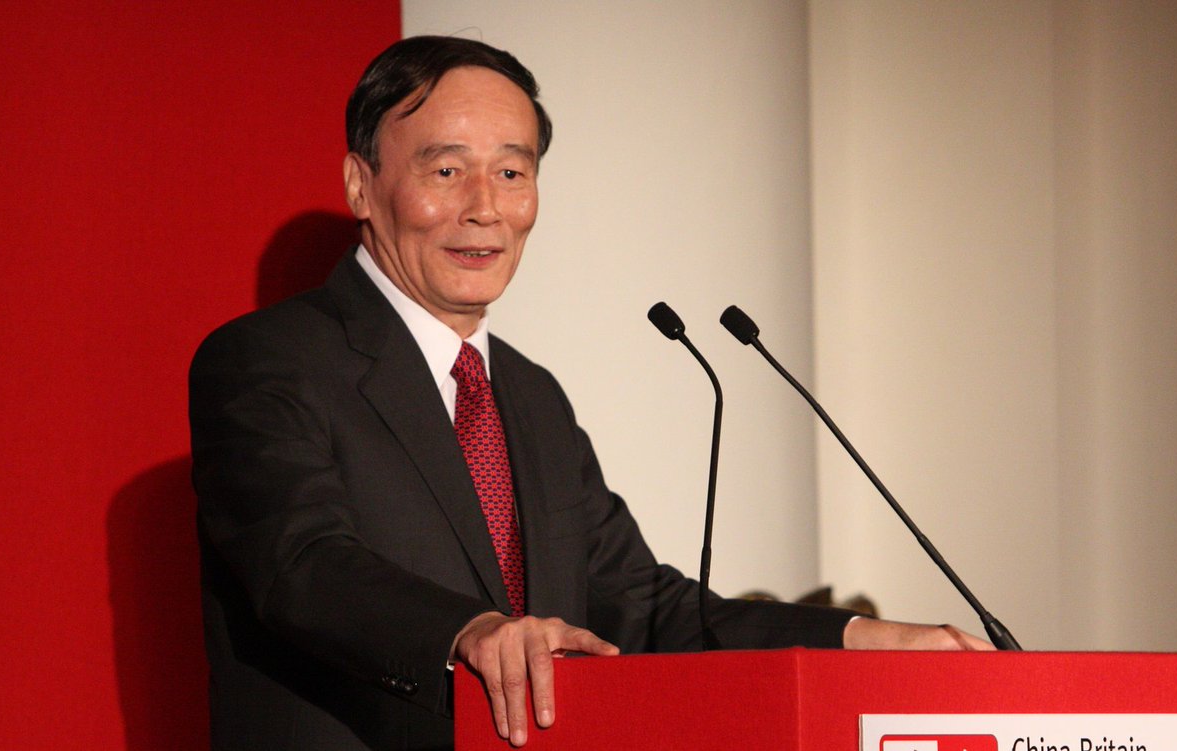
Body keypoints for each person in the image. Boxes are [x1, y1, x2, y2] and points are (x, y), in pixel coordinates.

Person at [189, 35, 992, 751]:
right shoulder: (267, 360)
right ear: (361, 185)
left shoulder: (530, 397)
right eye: (446, 170)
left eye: (512, 172)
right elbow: (303, 564)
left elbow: (647, 609)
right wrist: (470, 630)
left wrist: (862, 639)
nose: (485, 207)